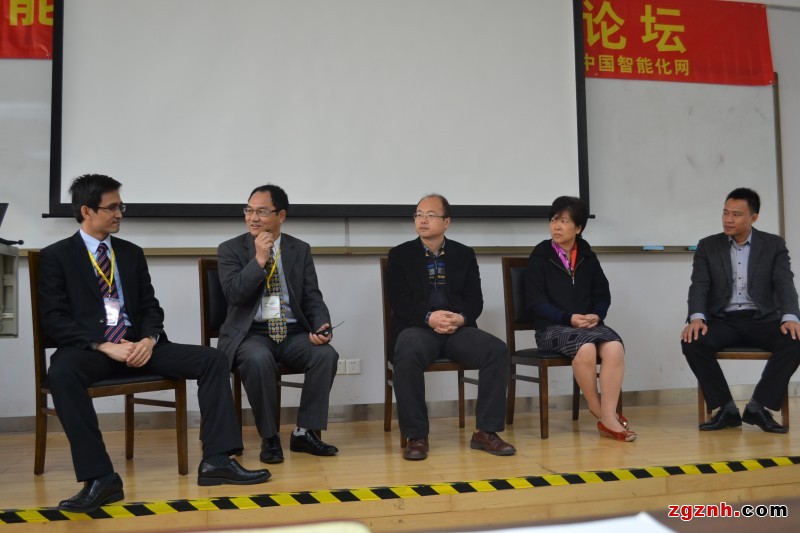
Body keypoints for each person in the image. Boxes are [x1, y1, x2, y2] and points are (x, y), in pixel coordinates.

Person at [38, 174, 270, 514]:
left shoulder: (130, 253)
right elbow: (55, 319)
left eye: (121, 206)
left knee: (213, 359)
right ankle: (101, 478)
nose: (119, 213)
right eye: (111, 207)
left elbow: (151, 307)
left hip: (140, 347)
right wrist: (104, 345)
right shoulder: (56, 256)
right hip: (93, 351)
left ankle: (218, 460)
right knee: (62, 373)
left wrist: (149, 339)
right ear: (86, 211)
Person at [386, 194, 515, 460]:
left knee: (496, 350)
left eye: (430, 215)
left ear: (446, 222)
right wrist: (429, 317)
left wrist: (461, 318)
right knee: (407, 351)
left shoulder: (464, 254)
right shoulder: (399, 255)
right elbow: (399, 301)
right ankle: (417, 436)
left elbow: (475, 300)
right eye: (418, 214)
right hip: (418, 328)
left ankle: (486, 432)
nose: (423, 220)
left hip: (457, 329)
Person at [217, 184, 339, 464]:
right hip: (251, 334)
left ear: (280, 215)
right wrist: (259, 259)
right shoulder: (230, 249)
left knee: (325, 355)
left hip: (293, 333)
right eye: (249, 210)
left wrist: (322, 325)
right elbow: (234, 294)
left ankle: (304, 432)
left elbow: (312, 297)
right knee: (258, 359)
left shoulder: (299, 249)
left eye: (261, 211)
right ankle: (270, 437)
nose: (253, 218)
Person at [681, 187, 800, 434]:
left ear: (753, 218)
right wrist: (697, 318)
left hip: (762, 319)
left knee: (796, 340)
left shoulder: (773, 245)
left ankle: (759, 407)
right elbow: (699, 285)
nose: (728, 219)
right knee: (693, 341)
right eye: (725, 213)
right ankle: (726, 409)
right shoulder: (708, 246)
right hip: (723, 319)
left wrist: (790, 317)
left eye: (736, 214)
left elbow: (784, 283)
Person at [524, 196, 634, 442]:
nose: (556, 226)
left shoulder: (587, 255)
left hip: (587, 326)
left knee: (615, 347)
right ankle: (601, 412)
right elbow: (535, 303)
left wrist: (597, 314)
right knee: (585, 349)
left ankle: (607, 415)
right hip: (551, 328)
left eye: (564, 221)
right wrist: (568, 318)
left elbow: (602, 295)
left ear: (579, 228)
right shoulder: (541, 255)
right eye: (554, 220)